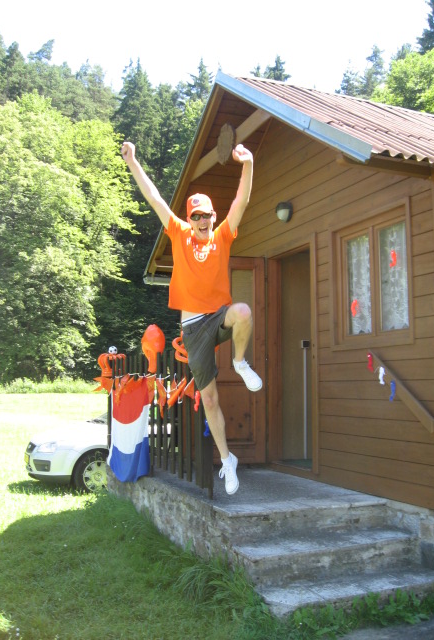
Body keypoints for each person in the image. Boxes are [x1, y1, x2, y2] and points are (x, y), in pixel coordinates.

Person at [121, 141, 262, 495]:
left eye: (206, 216)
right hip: (193, 327)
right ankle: (228, 460)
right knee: (210, 400)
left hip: (219, 316)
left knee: (243, 312)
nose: (201, 221)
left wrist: (247, 165)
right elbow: (154, 198)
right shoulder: (179, 233)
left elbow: (240, 202)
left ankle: (241, 362)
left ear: (213, 218)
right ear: (190, 218)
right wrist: (133, 162)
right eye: (196, 216)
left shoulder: (223, 236)